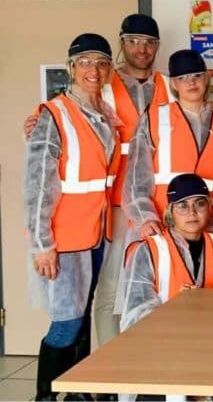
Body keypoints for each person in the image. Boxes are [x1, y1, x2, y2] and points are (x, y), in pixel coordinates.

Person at [25, 33, 121, 401]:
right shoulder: (53, 114)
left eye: (101, 63)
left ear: (109, 69)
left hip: (96, 234)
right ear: (71, 68)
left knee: (80, 319)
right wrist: (42, 244)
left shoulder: (104, 115)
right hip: (63, 238)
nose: (93, 70)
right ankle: (46, 396)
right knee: (66, 322)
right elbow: (36, 187)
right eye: (85, 62)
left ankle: (76, 391)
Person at [94, 14, 170, 343]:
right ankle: (109, 375)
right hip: (116, 202)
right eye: (134, 41)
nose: (142, 48)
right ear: (122, 42)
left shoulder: (170, 85)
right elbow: (67, 111)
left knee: (160, 280)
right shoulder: (103, 84)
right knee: (111, 288)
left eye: (149, 42)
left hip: (161, 202)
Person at [124, 49, 213, 245]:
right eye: (183, 77)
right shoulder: (153, 119)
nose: (191, 82)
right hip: (158, 227)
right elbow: (135, 180)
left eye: (196, 75)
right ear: (173, 83)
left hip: (205, 231)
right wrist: (145, 218)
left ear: (206, 78)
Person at [119, 173, 213, 335]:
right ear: (170, 211)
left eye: (200, 204)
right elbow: (135, 317)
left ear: (210, 207)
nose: (192, 212)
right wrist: (180, 311)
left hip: (211, 340)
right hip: (162, 344)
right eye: (183, 205)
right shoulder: (149, 250)